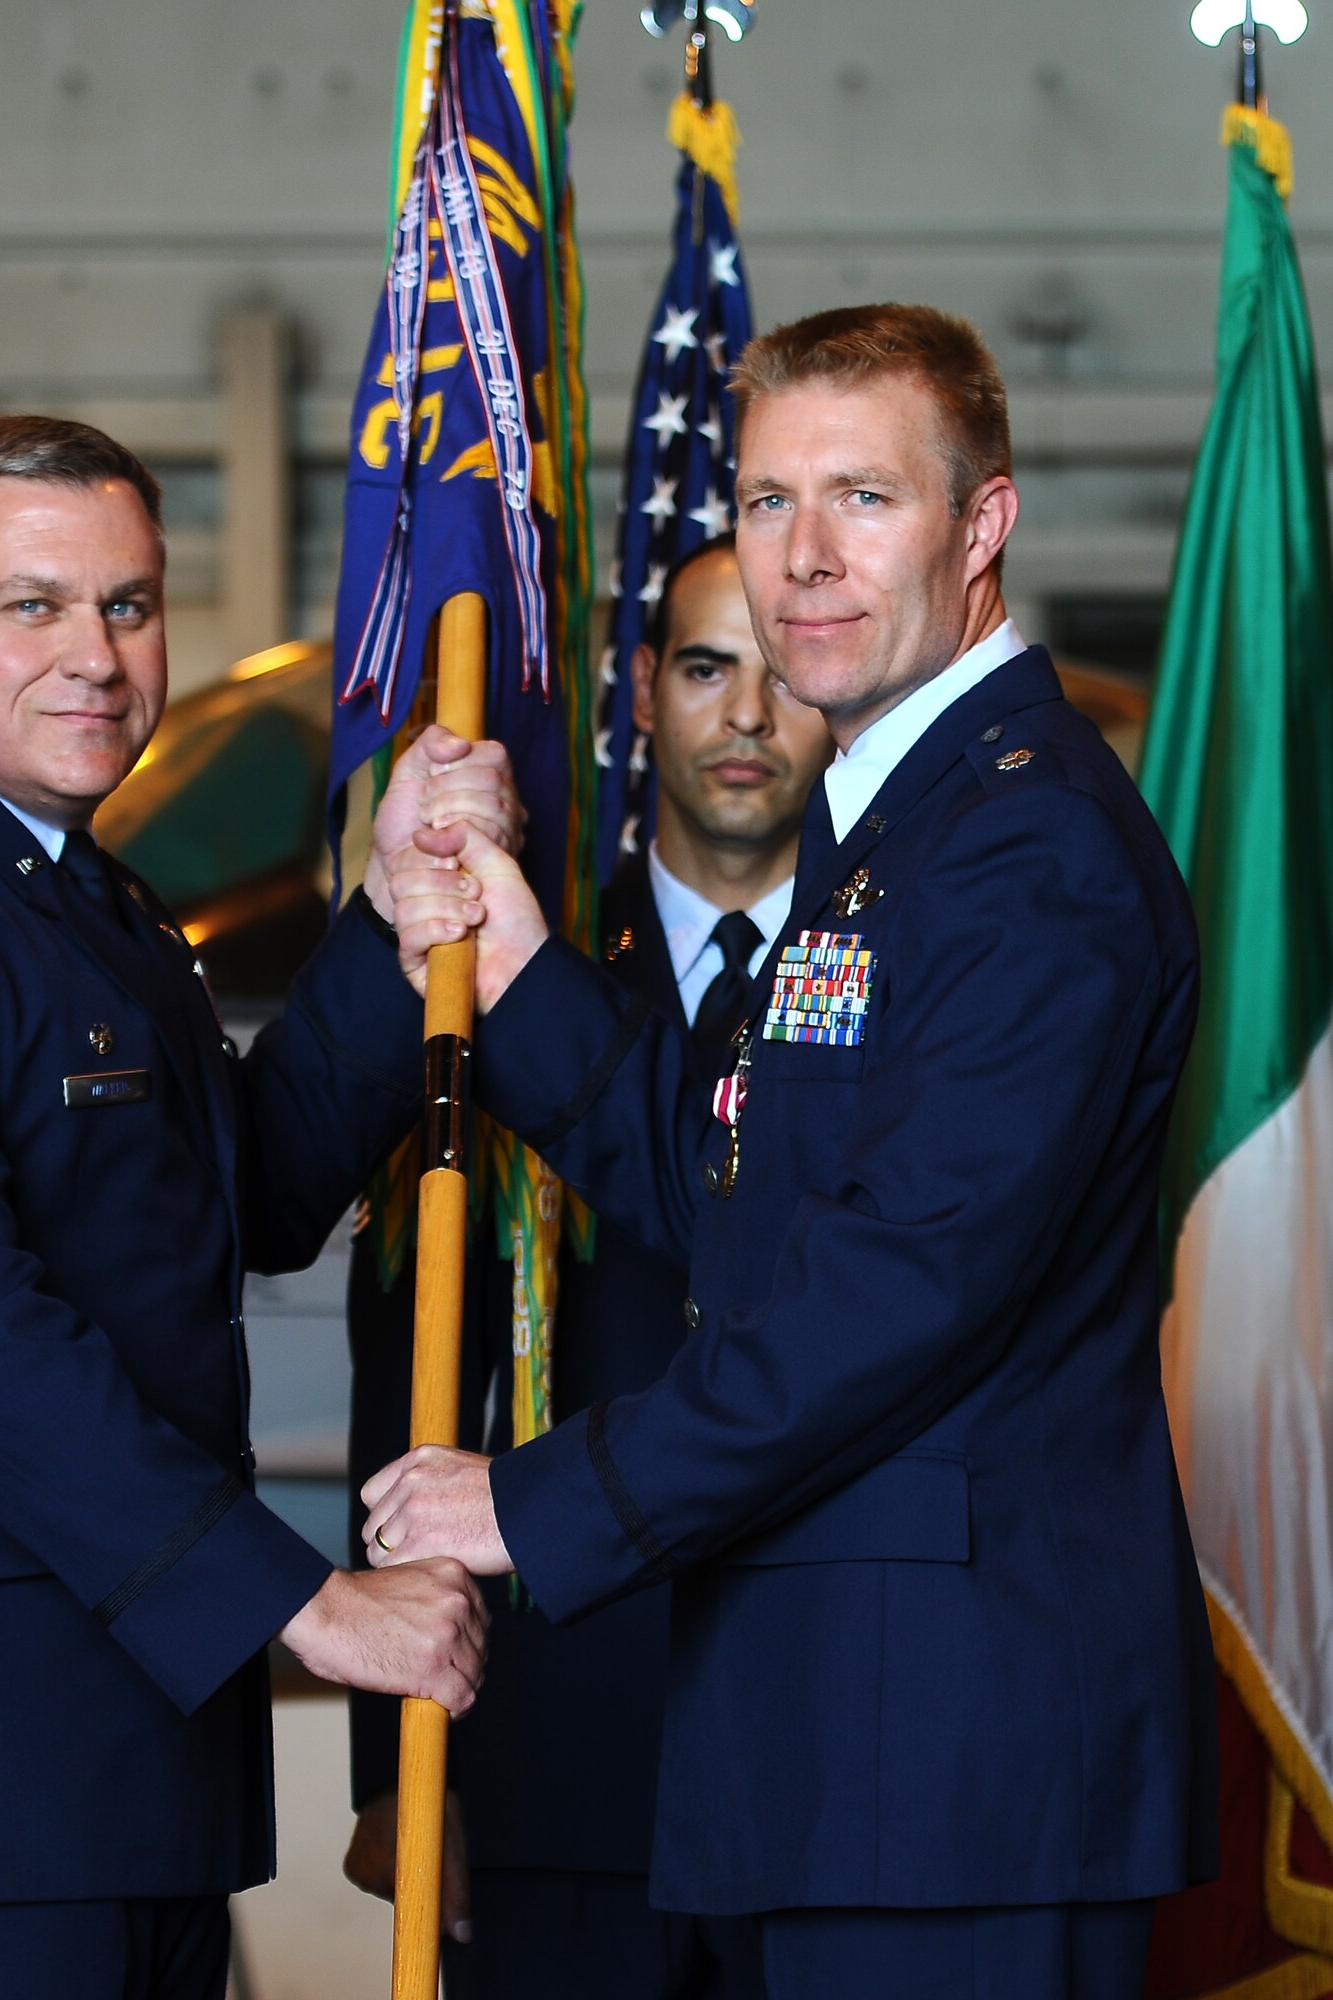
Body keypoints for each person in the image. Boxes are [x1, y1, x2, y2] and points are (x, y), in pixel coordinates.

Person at [363, 305, 1219, 1998]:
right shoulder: (897, 824)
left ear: (981, 528)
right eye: (764, 503)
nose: (802, 560)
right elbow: (731, 1193)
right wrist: (529, 971)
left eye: (863, 500)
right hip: (845, 1755)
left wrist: (534, 1501)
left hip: (955, 1772)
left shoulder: (1025, 848)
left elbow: (896, 1284)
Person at [0, 415, 503, 2000]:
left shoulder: (78, 898)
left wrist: (389, 921)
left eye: (127, 606)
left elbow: (237, 1197)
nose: (98, 657)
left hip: (119, 1773)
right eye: (33, 606)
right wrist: (308, 1603)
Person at [341, 534, 833, 1999]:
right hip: (550, 1741)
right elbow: (410, 1380)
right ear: (637, 688)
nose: (744, 715)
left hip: (820, 1733)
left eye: (781, 673)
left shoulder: (898, 971)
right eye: (701, 667)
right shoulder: (483, 967)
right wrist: (392, 1763)